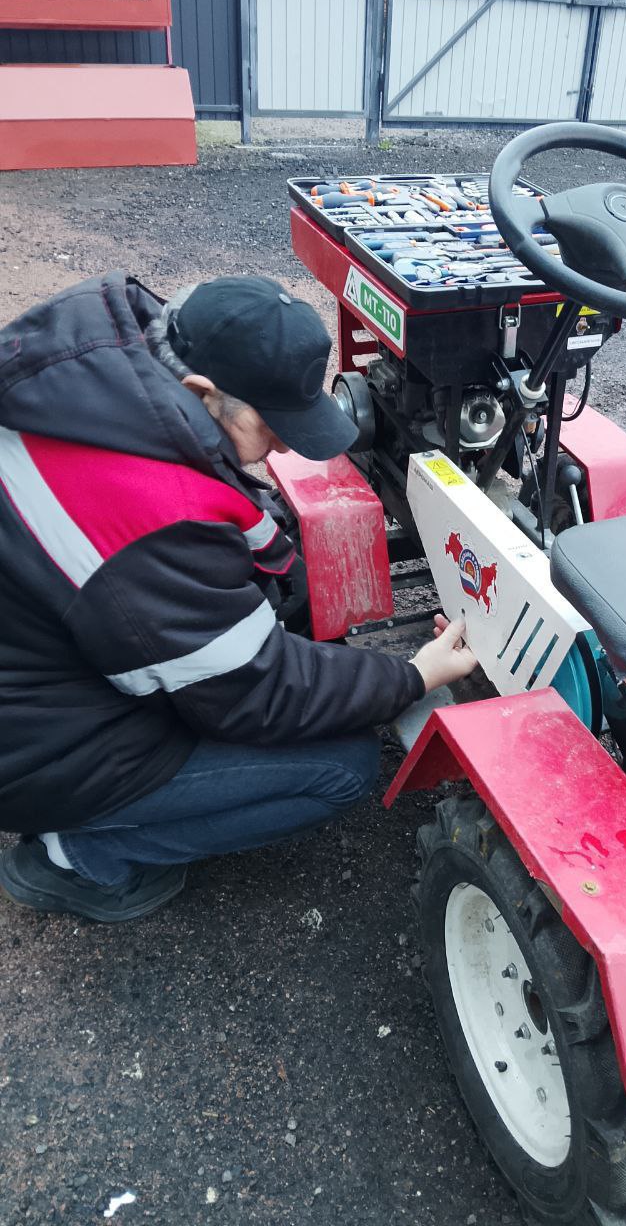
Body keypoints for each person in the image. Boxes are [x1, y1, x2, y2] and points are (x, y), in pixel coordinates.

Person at [0, 272, 476, 923]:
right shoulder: (144, 521)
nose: (283, 442)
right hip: (31, 748)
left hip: (35, 667)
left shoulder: (113, 358)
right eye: (270, 424)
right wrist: (412, 675)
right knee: (342, 765)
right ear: (200, 392)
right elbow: (255, 693)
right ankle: (76, 858)